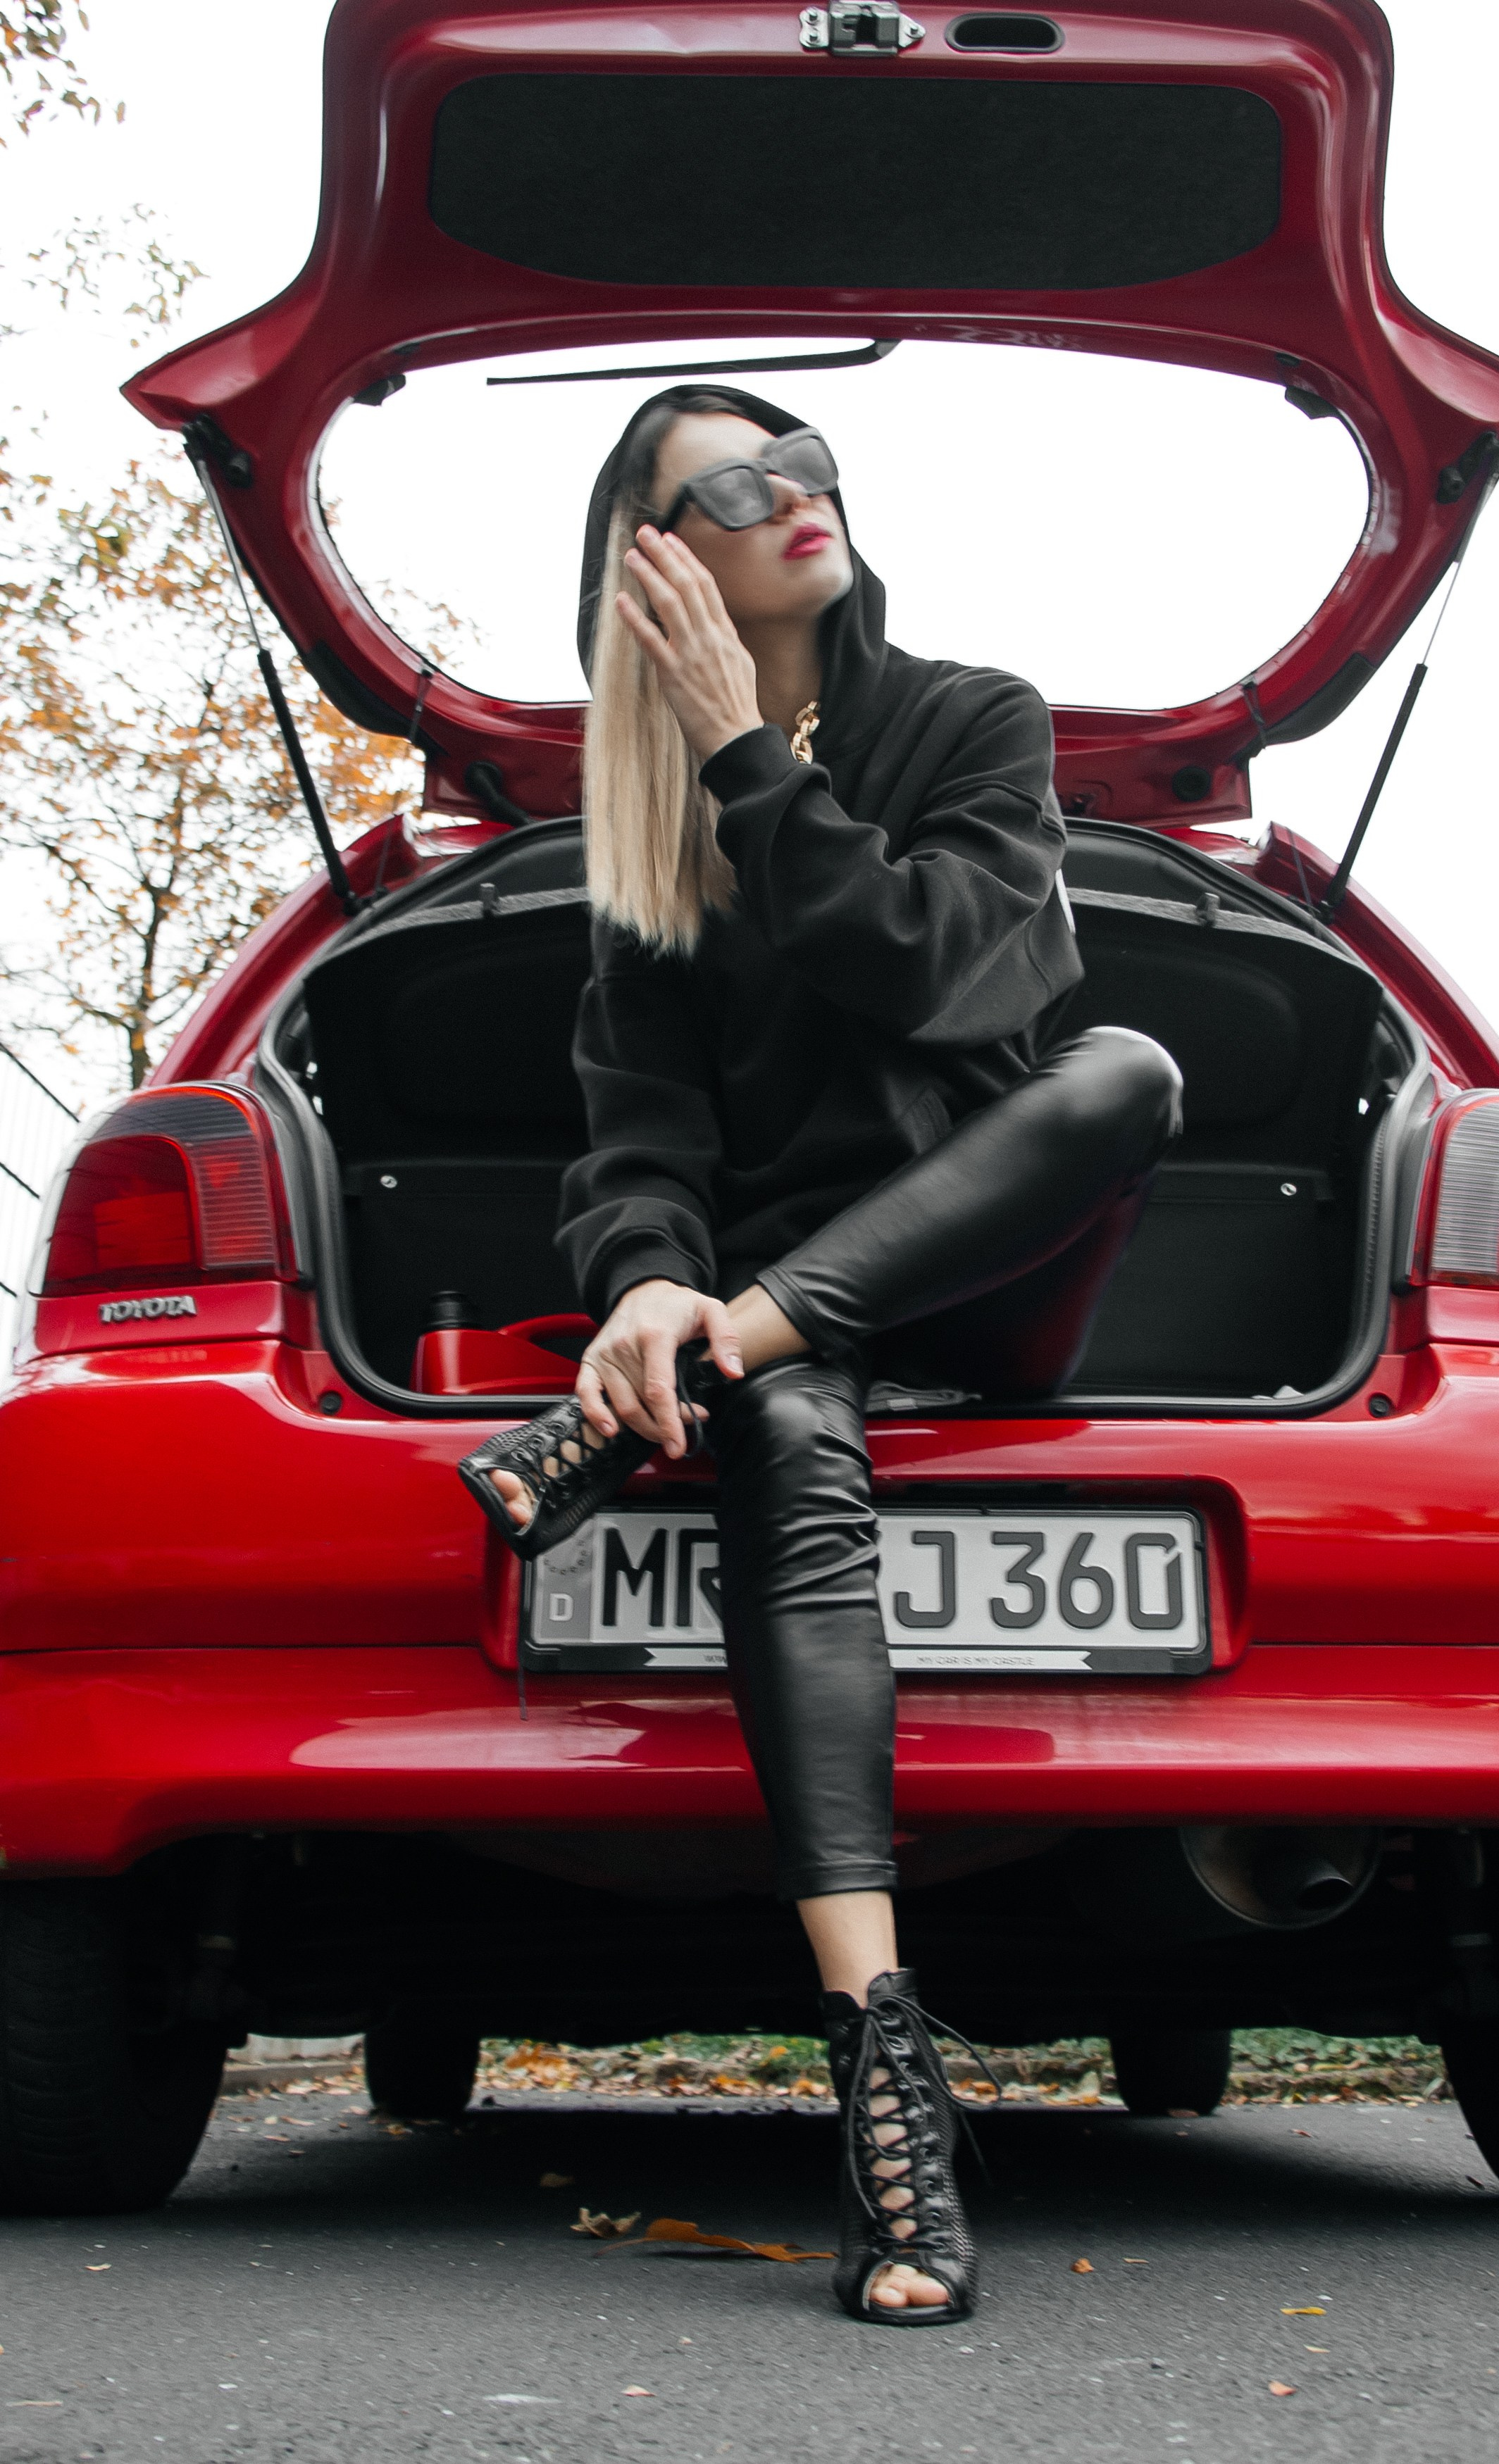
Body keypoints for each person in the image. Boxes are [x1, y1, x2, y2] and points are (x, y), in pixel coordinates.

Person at [460, 385, 1181, 2325]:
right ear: (657, 560)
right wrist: (645, 1285)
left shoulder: (970, 719)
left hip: (987, 1261)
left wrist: (747, 759)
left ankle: (708, 1371)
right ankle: (886, 2076)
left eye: (805, 460)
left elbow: (958, 967)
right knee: (777, 1418)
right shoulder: (645, 839)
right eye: (733, 483)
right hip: (778, 1313)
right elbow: (642, 1133)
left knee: (1124, 1070)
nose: (797, 492)